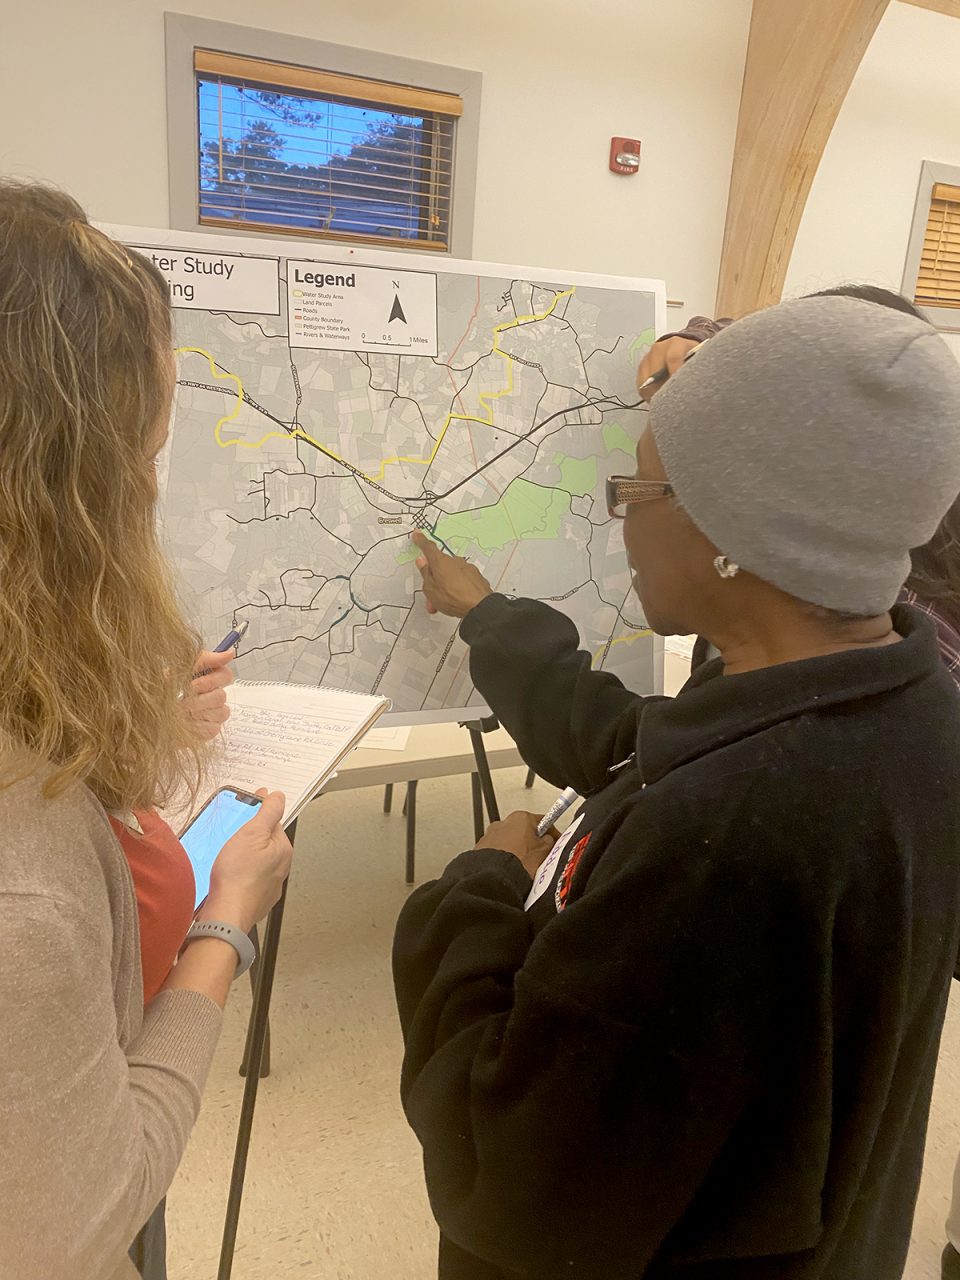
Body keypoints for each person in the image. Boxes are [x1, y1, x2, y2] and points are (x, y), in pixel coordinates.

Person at [392, 293, 960, 1279]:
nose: (620, 518)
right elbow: (639, 744)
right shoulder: (907, 708)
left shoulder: (727, 842)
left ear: (730, 527)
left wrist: (474, 897)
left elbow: (510, 1170)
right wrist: (489, 614)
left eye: (639, 490)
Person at [0, 181, 294, 1280]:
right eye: (145, 459)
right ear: (68, 493)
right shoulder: (21, 897)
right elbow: (78, 1216)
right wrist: (227, 923)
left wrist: (141, 729)